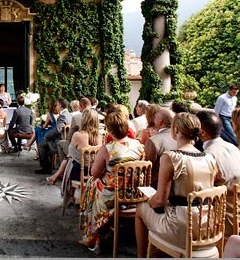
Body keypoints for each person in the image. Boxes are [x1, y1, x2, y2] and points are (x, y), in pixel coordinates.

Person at [134, 112, 219, 258]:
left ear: (176, 130)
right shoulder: (209, 158)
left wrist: (149, 199)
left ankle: (142, 256)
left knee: (141, 209)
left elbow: (160, 199)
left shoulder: (172, 157)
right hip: (208, 227)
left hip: (182, 227)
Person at [80, 111, 145, 252]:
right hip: (134, 193)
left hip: (111, 195)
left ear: (109, 130)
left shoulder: (108, 149)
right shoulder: (139, 146)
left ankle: (94, 236)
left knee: (92, 185)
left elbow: (95, 173)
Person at [197, 109, 240, 237]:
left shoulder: (208, 156)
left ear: (202, 133)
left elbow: (201, 192)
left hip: (228, 223)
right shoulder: (233, 147)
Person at [46, 109, 103, 188]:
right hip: (94, 172)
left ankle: (59, 179)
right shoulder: (99, 137)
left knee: (69, 158)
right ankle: (56, 175)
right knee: (70, 158)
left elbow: (70, 153)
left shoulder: (78, 135)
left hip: (79, 172)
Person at [144, 107, 177, 188]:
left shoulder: (153, 141)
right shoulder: (181, 139)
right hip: (177, 186)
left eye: (155, 118)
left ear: (160, 122)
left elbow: (147, 169)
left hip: (157, 187)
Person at [36, 99, 71, 174]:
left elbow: (57, 130)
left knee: (41, 145)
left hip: (60, 141)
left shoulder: (63, 116)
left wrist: (47, 136)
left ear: (60, 105)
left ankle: (46, 168)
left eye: (58, 105)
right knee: (46, 143)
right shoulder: (69, 114)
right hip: (65, 139)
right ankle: (49, 166)